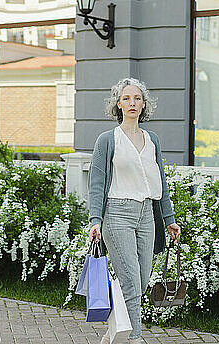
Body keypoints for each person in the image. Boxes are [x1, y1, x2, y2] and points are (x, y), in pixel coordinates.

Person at [88, 78, 181, 344]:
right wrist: (96, 219)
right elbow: (96, 183)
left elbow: (159, 181)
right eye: (127, 98)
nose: (132, 103)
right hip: (117, 214)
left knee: (140, 279)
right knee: (130, 281)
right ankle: (134, 339)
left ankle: (113, 332)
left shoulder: (152, 139)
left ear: (144, 104)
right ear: (118, 104)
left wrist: (169, 219)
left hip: (147, 215)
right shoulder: (108, 140)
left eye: (137, 98)